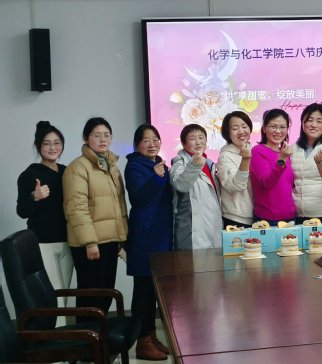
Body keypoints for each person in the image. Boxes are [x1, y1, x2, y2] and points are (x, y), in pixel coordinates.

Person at [63, 117, 128, 322]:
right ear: (86, 138)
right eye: (97, 135)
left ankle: (100, 338)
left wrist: (121, 237)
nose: (103, 139)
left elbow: (119, 204)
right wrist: (90, 242)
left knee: (106, 294)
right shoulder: (77, 168)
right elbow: (77, 208)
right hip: (90, 244)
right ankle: (86, 339)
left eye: (107, 135)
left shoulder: (111, 165)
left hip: (110, 240)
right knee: (91, 297)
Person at [16, 121, 73, 322]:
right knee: (53, 296)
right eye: (47, 143)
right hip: (42, 243)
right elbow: (21, 211)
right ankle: (58, 340)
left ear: (62, 145)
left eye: (57, 143)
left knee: (63, 294)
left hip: (68, 241)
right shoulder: (29, 174)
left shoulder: (67, 171)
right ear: (39, 146)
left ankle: (60, 336)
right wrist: (35, 196)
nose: (52, 147)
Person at [124, 124, 172, 360]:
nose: (152, 144)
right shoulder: (134, 166)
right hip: (145, 236)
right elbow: (138, 198)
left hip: (160, 234)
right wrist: (157, 178)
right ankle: (142, 342)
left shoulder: (159, 164)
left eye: (155, 139)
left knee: (153, 290)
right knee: (143, 291)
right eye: (146, 140)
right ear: (136, 145)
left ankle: (151, 336)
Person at [170, 124, 222, 249]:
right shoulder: (179, 163)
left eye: (201, 138)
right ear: (183, 143)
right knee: (192, 261)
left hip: (212, 226)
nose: (198, 142)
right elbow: (181, 185)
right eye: (192, 138)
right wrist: (194, 165)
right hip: (191, 230)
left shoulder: (210, 165)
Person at [249, 109, 295, 224]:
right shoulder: (257, 151)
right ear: (264, 128)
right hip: (268, 219)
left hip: (291, 216)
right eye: (273, 126)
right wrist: (282, 159)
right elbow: (267, 182)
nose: (278, 131)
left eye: (282, 127)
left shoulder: (286, 152)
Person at [218, 111, 253, 228]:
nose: (241, 131)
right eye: (235, 128)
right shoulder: (225, 156)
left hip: (257, 216)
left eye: (244, 126)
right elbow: (235, 186)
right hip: (236, 218)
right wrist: (245, 159)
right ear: (227, 133)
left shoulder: (254, 150)